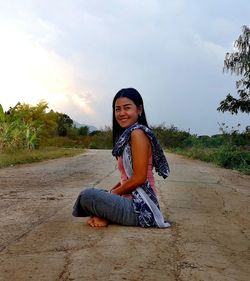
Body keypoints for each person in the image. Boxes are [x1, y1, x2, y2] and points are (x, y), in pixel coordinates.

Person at [72, 88, 170, 228]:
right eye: (118, 109)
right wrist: (110, 195)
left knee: (87, 195)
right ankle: (104, 214)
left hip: (141, 208)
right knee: (97, 193)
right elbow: (125, 179)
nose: (122, 113)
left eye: (127, 108)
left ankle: (103, 214)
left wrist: (112, 195)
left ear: (139, 109)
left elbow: (139, 178)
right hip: (128, 202)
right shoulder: (127, 136)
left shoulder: (138, 134)